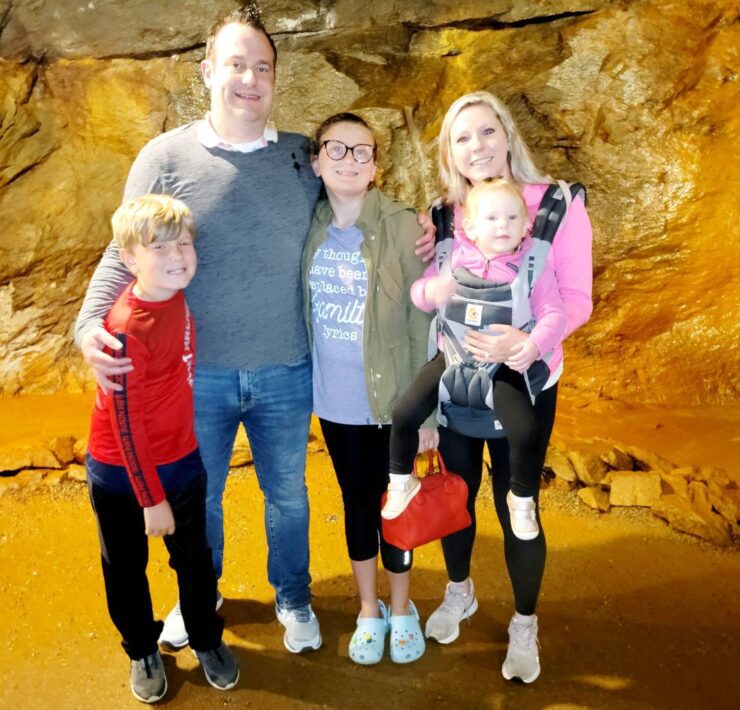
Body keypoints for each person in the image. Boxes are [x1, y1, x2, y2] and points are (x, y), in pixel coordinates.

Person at [74, 7, 435, 655]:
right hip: (196, 374)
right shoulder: (165, 156)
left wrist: (417, 227)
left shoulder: (302, 157)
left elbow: (359, 203)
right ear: (208, 70)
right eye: (236, 64)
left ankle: (293, 597)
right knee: (200, 502)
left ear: (275, 78)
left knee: (289, 498)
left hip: (287, 368)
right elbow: (116, 252)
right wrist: (86, 324)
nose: (249, 78)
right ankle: (200, 597)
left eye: (262, 67)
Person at [420, 92, 593, 684]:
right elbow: (427, 299)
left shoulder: (556, 205)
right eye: (462, 137)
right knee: (455, 493)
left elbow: (575, 298)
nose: (478, 146)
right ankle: (460, 590)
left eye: (487, 131)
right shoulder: (443, 216)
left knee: (515, 500)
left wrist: (531, 345)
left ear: (508, 133)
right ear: (449, 152)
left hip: (526, 380)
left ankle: (524, 621)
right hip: (457, 385)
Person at [85, 194, 239, 703]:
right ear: (129, 259)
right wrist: (150, 498)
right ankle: (141, 649)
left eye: (185, 244)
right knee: (125, 565)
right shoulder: (128, 328)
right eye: (159, 247)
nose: (177, 256)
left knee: (194, 559)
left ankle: (205, 637)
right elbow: (123, 423)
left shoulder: (173, 295)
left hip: (180, 457)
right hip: (123, 471)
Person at [301, 112, 433, 665]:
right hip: (335, 403)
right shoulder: (307, 224)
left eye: (362, 151)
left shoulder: (403, 226)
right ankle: (367, 609)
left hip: (393, 405)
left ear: (376, 166)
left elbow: (423, 320)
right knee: (357, 505)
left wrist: (425, 414)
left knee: (394, 508)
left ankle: (402, 607)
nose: (349, 160)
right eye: (337, 148)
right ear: (316, 161)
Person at [383, 178, 568, 546]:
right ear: (470, 227)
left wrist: (533, 345)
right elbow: (419, 294)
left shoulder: (532, 267)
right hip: (452, 357)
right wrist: (429, 291)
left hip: (501, 367)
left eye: (512, 218)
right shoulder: (451, 260)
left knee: (527, 431)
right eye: (492, 218)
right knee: (403, 413)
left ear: (526, 225)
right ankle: (401, 479)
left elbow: (555, 314)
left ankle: (522, 496)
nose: (502, 226)